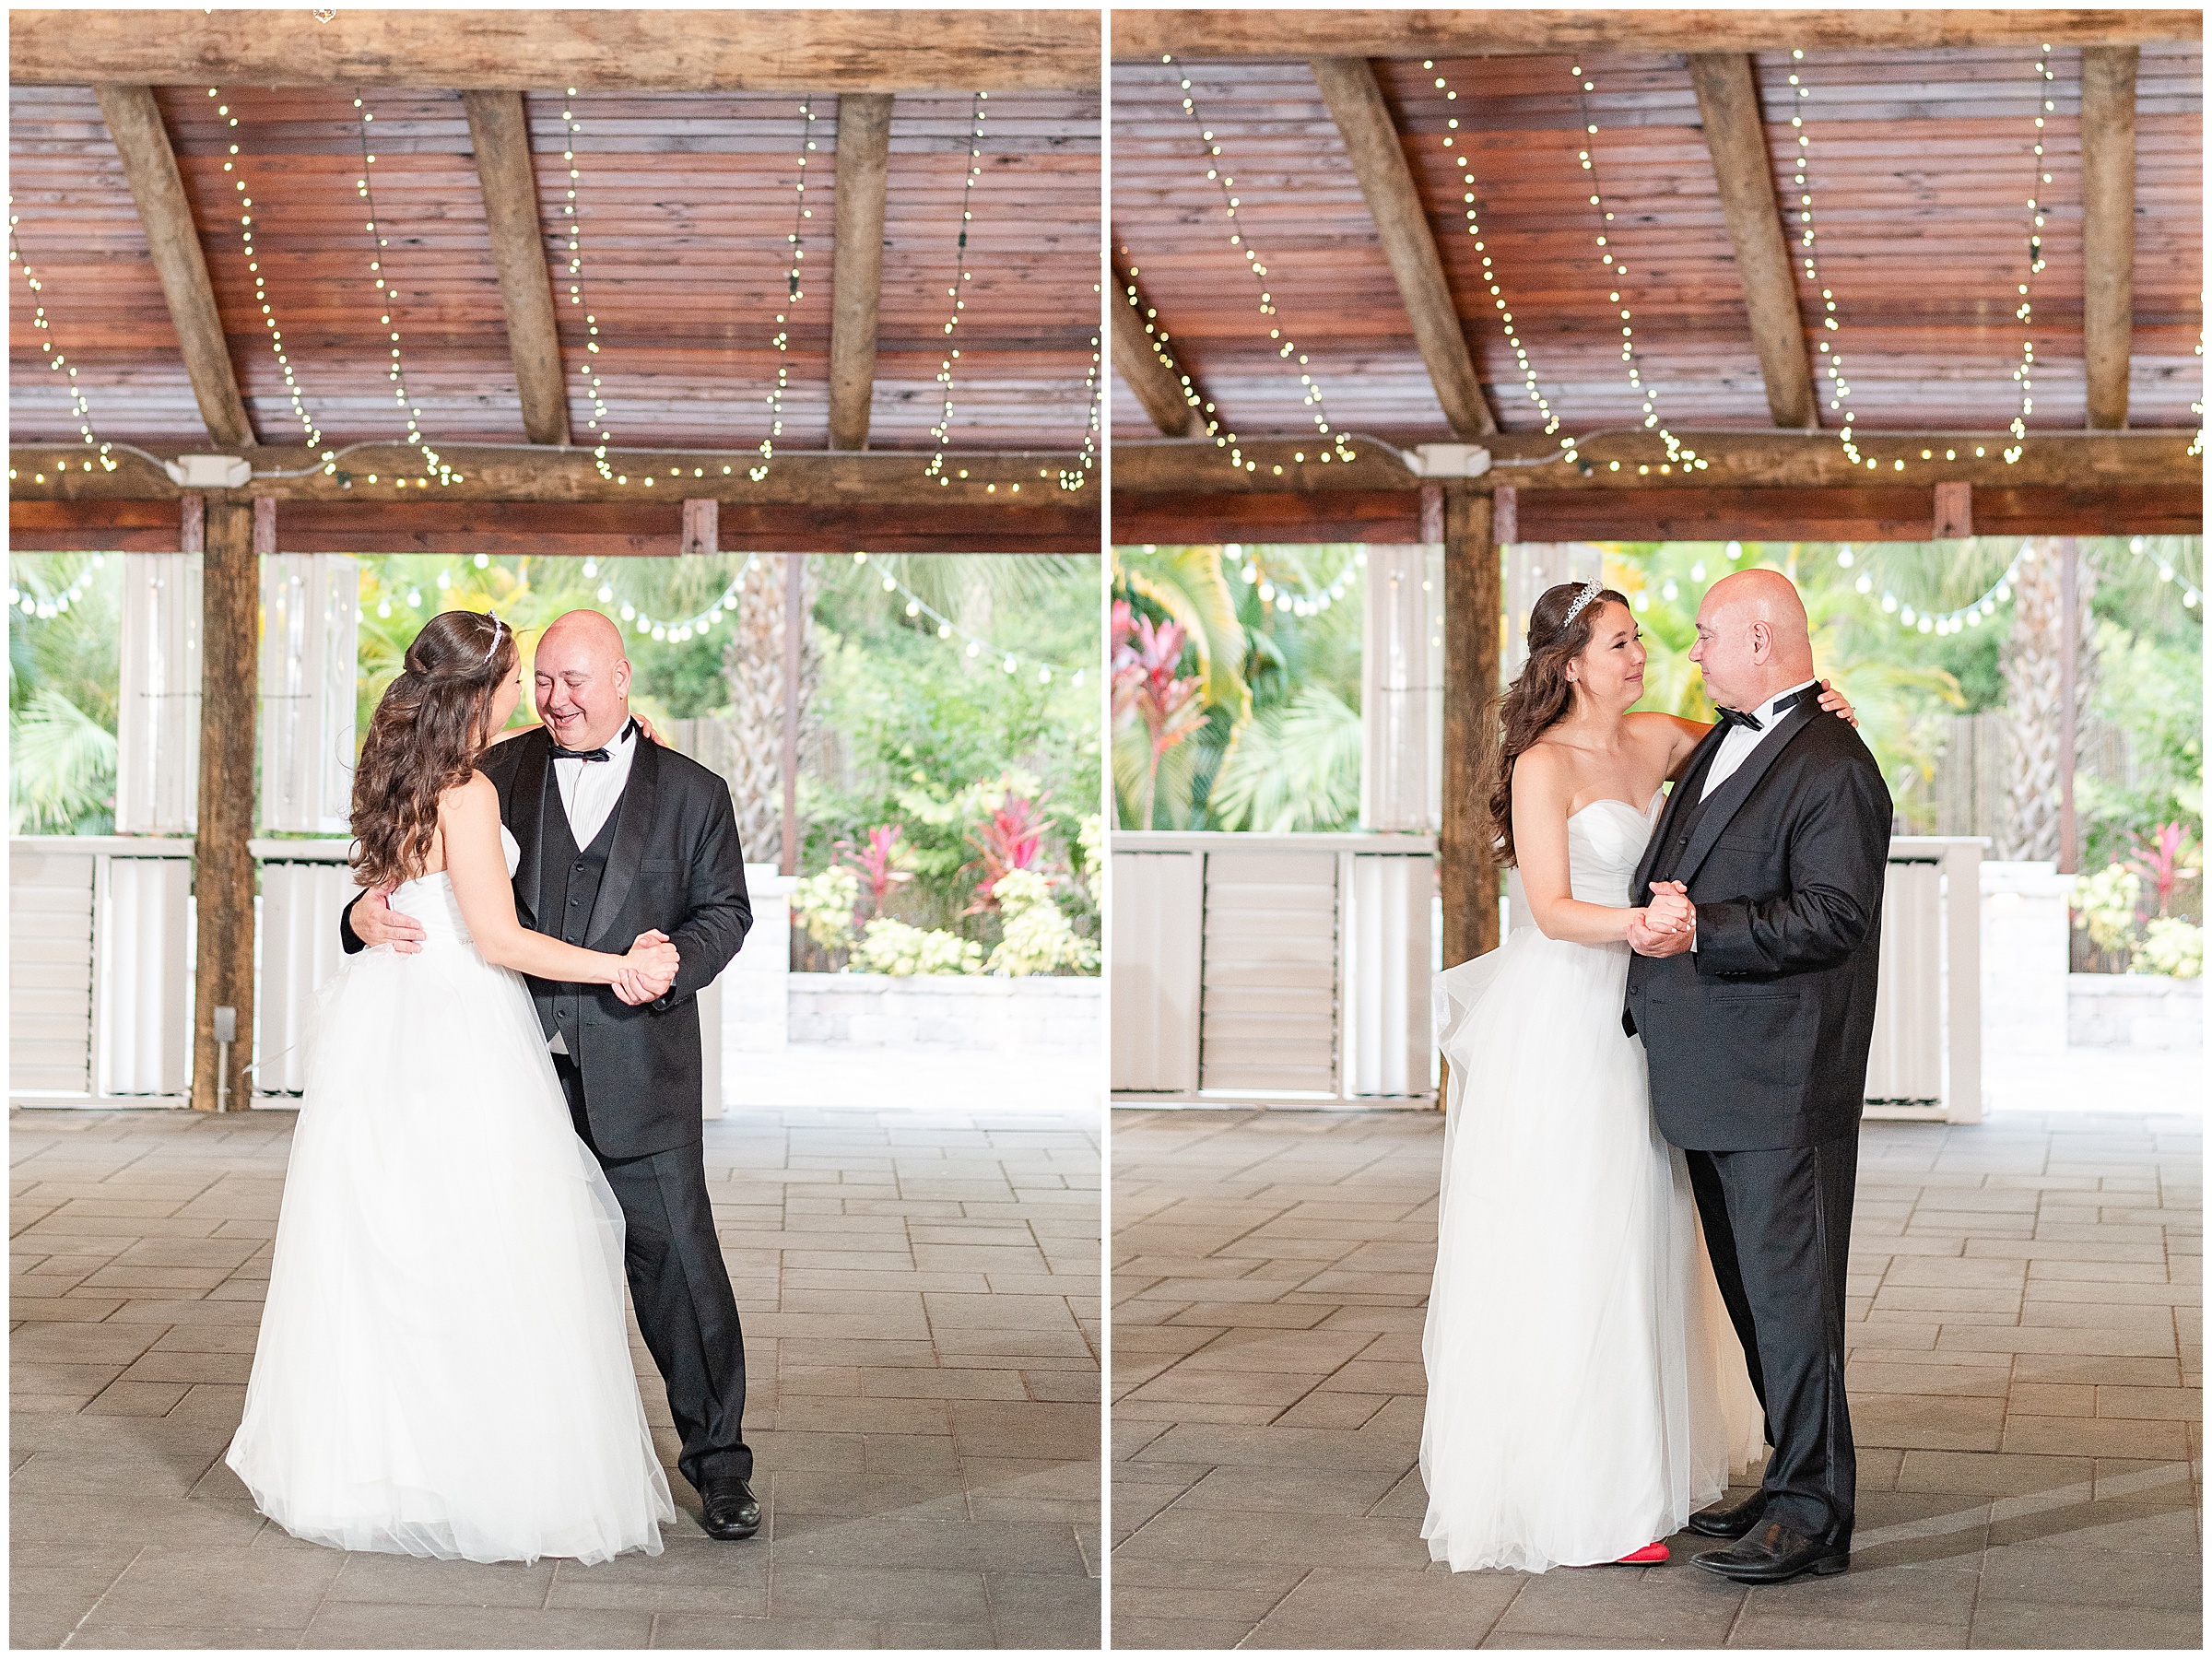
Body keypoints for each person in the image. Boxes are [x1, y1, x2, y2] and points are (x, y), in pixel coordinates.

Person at [1420, 575, 1859, 1575]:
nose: (1644, 656)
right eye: (1620, 643)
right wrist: (1644, 926)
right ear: (1571, 662)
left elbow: (1768, 759)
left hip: (1658, 1022)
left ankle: (1646, 1474)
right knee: (1580, 1239)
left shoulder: (1662, 737)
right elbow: (1549, 904)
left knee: (1650, 1238)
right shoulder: (1543, 764)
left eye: (1644, 640)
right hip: (1570, 1013)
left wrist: (1825, 706)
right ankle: (1577, 1490)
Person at [228, 608, 681, 1563]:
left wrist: (362, 912)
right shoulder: (468, 792)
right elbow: (501, 940)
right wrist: (621, 968)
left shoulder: (390, 768)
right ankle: (480, 1473)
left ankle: (384, 1466)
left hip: (381, 1023)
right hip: (456, 1030)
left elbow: (389, 890)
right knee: (484, 1247)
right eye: (516, 679)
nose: (527, 695)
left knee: (389, 1243)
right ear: (481, 692)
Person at [338, 607, 761, 1543]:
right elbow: (415, 875)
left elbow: (726, 909)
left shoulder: (694, 791)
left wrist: (671, 961)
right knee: (508, 1272)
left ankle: (722, 1468)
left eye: (575, 682)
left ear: (621, 679)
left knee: (679, 1271)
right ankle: (505, 1464)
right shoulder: (490, 768)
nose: (556, 699)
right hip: (504, 1071)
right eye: (542, 683)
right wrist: (354, 921)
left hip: (637, 1065)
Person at [1624, 568, 1892, 1584]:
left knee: (1793, 1303)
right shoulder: (1739, 739)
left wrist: (1708, 928)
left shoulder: (1833, 764)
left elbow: (1834, 916)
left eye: (1704, 636)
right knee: (1755, 1299)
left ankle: (1817, 1513)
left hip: (1783, 1079)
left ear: (1764, 639)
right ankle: (1791, 1483)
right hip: (1718, 1073)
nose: (1691, 653)